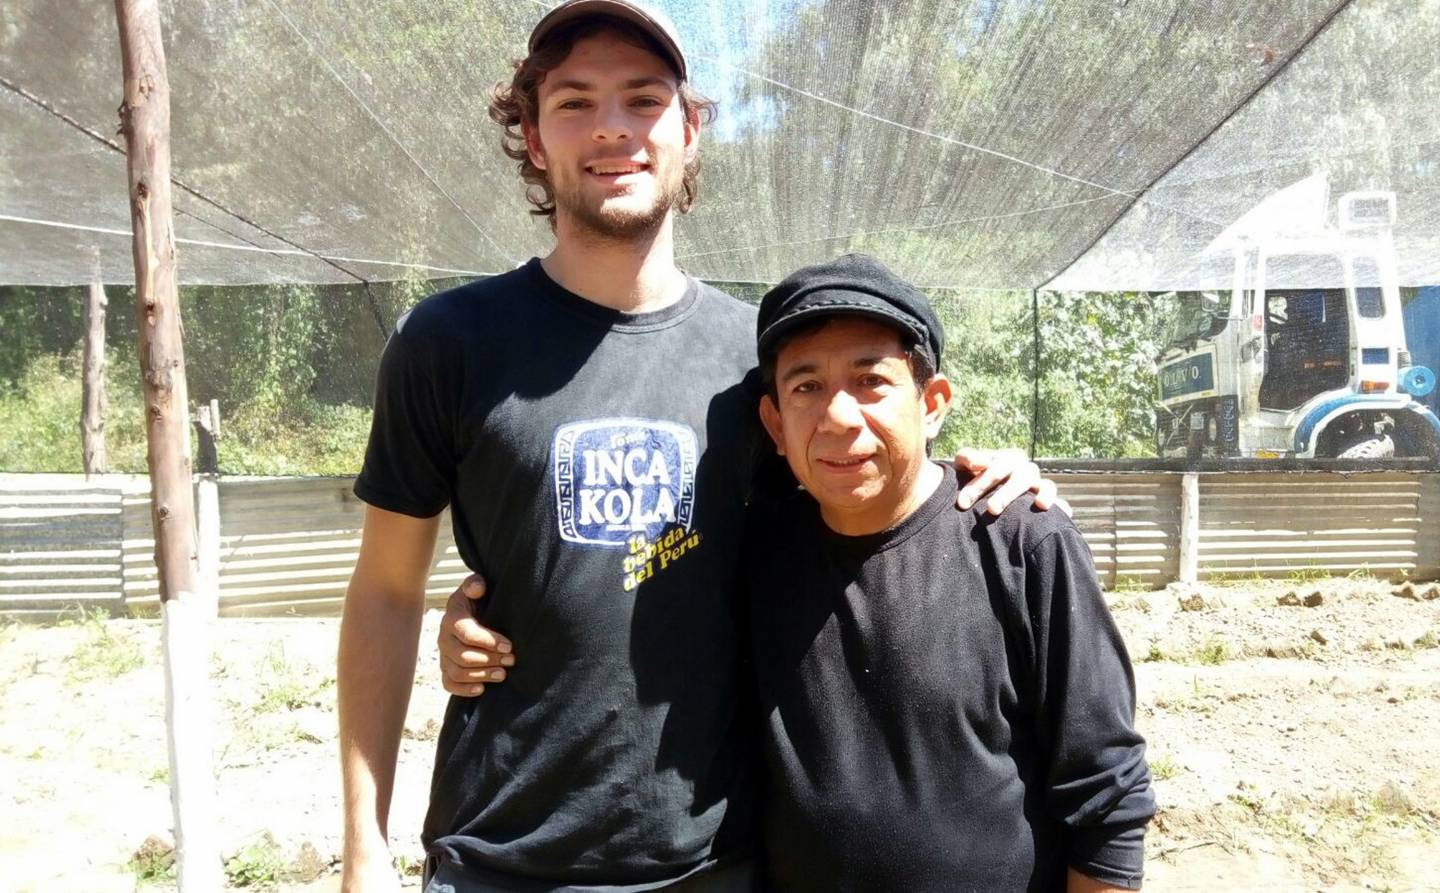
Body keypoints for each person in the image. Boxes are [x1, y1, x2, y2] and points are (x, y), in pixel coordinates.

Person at [340, 2, 1064, 890]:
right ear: (532, 136)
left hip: (720, 858)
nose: (611, 127)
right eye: (573, 103)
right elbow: (382, 590)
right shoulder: (448, 343)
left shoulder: (757, 363)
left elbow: (866, 518)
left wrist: (979, 482)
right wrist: (365, 849)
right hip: (499, 857)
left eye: (643, 99)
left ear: (688, 130)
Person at [744, 253, 1155, 891]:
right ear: (775, 423)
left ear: (932, 404)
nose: (838, 416)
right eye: (806, 387)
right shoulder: (754, 556)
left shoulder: (1021, 540)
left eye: (870, 381)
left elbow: (1106, 793)